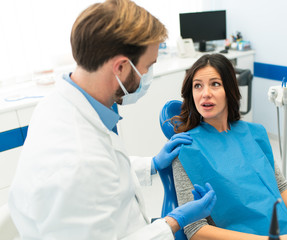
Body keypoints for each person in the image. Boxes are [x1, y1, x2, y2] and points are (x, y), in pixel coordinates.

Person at [8, 0, 217, 239]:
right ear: (120, 67)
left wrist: (152, 164)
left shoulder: (59, 105)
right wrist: (174, 222)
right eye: (148, 66)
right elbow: (91, 172)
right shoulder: (78, 161)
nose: (148, 76)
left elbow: (104, 172)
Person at [170, 53, 287, 240]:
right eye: (198, 86)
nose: (205, 94)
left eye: (215, 84)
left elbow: (280, 185)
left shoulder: (254, 133)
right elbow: (194, 229)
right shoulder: (185, 148)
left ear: (229, 89)